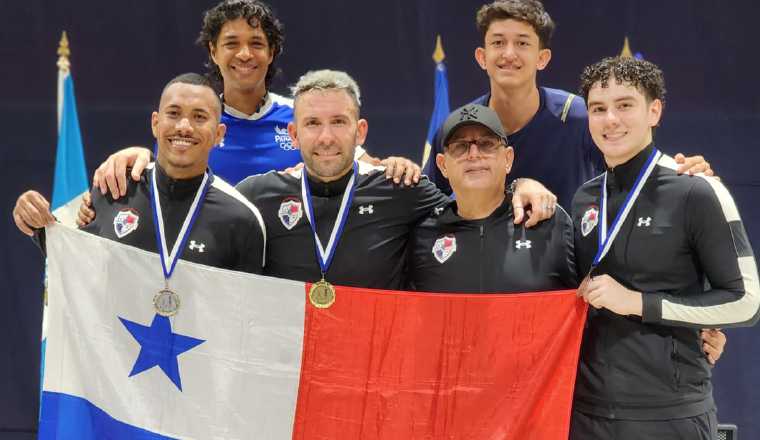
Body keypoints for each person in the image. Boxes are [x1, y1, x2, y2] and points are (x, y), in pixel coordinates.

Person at [570, 57, 759, 439]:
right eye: (598, 109)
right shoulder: (584, 199)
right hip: (587, 414)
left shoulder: (698, 189)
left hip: (669, 415)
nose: (610, 120)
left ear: (654, 111)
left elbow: (746, 302)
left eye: (625, 105)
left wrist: (639, 303)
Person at [92, 0, 420, 202]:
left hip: (286, 273)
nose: (245, 54)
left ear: (272, 52)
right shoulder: (197, 123)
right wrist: (134, 154)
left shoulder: (304, 118)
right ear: (213, 51)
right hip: (213, 268)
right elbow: (163, 171)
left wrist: (395, 165)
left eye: (257, 43)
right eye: (232, 43)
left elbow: (360, 165)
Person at [423, 0, 713, 208]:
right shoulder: (458, 128)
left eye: (523, 43)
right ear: (481, 57)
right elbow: (426, 204)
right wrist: (391, 171)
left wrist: (680, 172)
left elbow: (635, 175)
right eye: (498, 43)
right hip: (491, 277)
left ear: (543, 58)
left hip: (571, 275)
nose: (509, 53)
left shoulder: (580, 117)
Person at [13, 73, 266, 274]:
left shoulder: (242, 218)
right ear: (155, 123)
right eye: (174, 113)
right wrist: (39, 226)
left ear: (219, 134)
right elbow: (81, 271)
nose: (184, 127)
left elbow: (248, 320)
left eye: (199, 117)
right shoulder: (114, 188)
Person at [408, 103, 575, 293]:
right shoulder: (423, 234)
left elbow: (584, 304)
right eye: (460, 147)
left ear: (508, 159)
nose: (473, 154)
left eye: (486, 144)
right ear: (442, 165)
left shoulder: (549, 222)